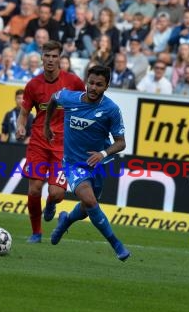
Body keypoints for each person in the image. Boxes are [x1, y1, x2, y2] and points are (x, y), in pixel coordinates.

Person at [44, 65, 131, 261]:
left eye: (99, 85)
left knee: (87, 207)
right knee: (90, 200)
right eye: (90, 83)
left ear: (107, 86)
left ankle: (65, 221)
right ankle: (117, 245)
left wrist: (102, 153)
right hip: (73, 163)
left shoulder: (111, 110)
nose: (93, 88)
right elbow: (53, 100)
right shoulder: (69, 98)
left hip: (97, 164)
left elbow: (121, 142)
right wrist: (47, 125)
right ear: (86, 81)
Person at [15, 40, 85, 243]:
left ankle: (52, 203)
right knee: (34, 188)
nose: (51, 60)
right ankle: (36, 232)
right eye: (47, 55)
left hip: (64, 146)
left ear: (60, 58)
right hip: (38, 141)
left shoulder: (73, 82)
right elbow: (24, 113)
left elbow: (85, 105)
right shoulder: (33, 85)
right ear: (42, 56)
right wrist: (21, 126)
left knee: (56, 193)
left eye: (55, 56)